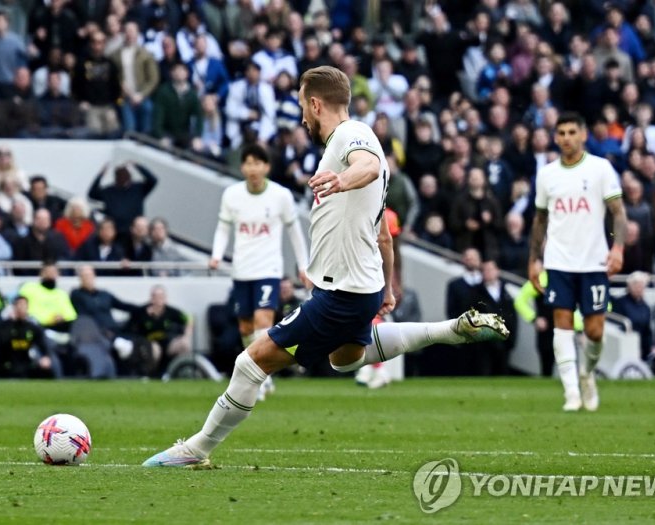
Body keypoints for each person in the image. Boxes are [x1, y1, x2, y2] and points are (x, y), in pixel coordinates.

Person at [143, 66, 509, 468]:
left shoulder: (352, 135)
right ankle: (451, 330)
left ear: (316, 104)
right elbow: (383, 234)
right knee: (344, 358)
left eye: (303, 106)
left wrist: (342, 180)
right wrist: (387, 286)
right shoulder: (350, 142)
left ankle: (196, 449)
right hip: (361, 286)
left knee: (250, 362)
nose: (302, 117)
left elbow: (367, 166)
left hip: (342, 292)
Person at [528, 111, 627, 412]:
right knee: (562, 324)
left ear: (583, 135)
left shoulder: (600, 169)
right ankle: (571, 392)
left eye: (572, 132)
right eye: (561, 133)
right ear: (555, 137)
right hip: (558, 261)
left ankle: (587, 373)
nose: (567, 138)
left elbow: (618, 212)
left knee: (595, 331)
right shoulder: (547, 174)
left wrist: (618, 248)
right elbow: (540, 219)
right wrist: (534, 259)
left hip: (594, 261)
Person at [208, 143, 309, 400]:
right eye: (248, 163)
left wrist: (303, 265)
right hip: (242, 270)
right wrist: (216, 255)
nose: (253, 169)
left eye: (258, 163)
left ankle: (258, 377)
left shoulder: (281, 196)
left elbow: (294, 232)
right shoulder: (231, 195)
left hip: (268, 269)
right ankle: (261, 371)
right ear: (242, 167)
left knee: (263, 321)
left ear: (267, 167)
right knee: (245, 327)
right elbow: (223, 228)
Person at [0, 295, 54, 378]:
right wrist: (12, 322)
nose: (22, 308)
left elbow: (42, 344)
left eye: (24, 305)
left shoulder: (31, 327)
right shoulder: (5, 325)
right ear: (14, 307)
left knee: (47, 371)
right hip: (7, 363)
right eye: (19, 305)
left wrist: (45, 357)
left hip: (26, 363)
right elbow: (2, 341)